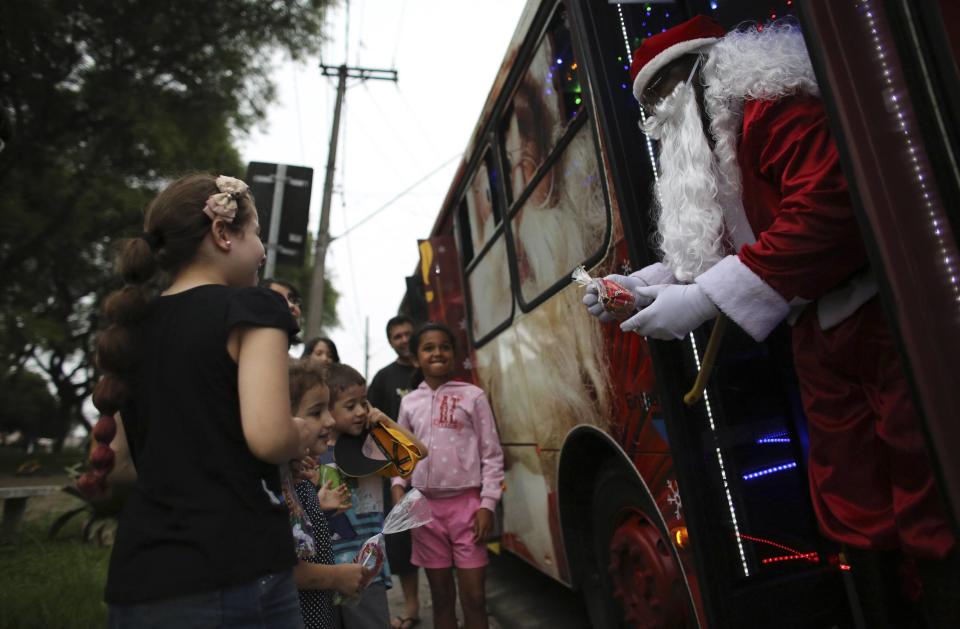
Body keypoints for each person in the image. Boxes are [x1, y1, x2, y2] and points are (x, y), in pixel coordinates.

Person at [584, 16, 957, 625]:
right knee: (851, 500)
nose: (655, 122)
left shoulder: (768, 109)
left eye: (658, 102)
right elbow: (728, 244)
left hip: (883, 319)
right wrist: (641, 285)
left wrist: (704, 300)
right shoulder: (724, 131)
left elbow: (829, 207)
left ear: (689, 81)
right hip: (820, 333)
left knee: (927, 492)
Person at [93, 173, 327, 627]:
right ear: (223, 234)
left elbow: (119, 466)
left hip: (138, 577)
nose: (262, 250)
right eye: (257, 233)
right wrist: (301, 430)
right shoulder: (253, 310)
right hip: (235, 568)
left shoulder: (130, 330)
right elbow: (270, 439)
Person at [392, 323, 504, 629]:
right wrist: (398, 489)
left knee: (475, 599)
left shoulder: (473, 396)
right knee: (441, 600)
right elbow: (402, 454)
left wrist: (487, 505)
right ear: (416, 359)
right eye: (428, 348)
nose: (437, 352)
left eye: (444, 346)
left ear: (454, 355)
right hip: (424, 513)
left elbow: (491, 454)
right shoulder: (409, 402)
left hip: (469, 510)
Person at [319, 363, 423, 629]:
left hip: (366, 567)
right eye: (350, 405)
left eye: (363, 403)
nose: (360, 412)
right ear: (327, 409)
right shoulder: (311, 451)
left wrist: (387, 421)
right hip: (325, 570)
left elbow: (419, 452)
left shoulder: (373, 444)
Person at [286, 359, 366, 629]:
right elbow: (286, 568)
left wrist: (318, 510)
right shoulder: (284, 486)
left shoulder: (298, 478)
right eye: (317, 412)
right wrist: (336, 577)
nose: (330, 420)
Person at [367, 315, 421, 629]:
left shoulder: (430, 366)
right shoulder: (383, 378)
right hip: (397, 475)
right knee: (402, 543)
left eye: (406, 334)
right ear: (390, 342)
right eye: (396, 336)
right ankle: (412, 608)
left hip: (438, 471)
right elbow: (371, 425)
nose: (402, 340)